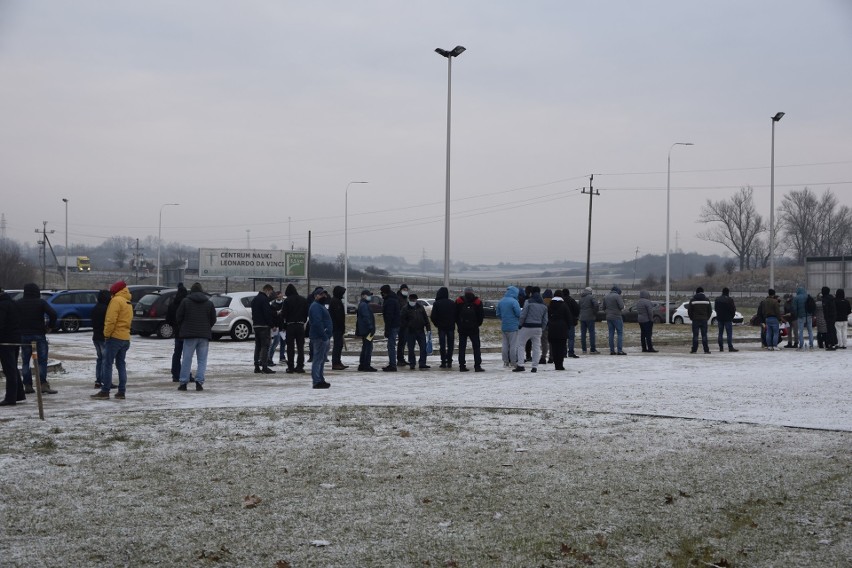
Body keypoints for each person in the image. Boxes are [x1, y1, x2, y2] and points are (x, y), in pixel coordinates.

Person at [92, 281, 133, 400]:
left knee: (107, 363)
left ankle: (105, 391)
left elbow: (110, 320)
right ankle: (121, 391)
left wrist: (106, 335)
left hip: (114, 337)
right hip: (125, 337)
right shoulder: (128, 301)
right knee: (121, 364)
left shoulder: (116, 301)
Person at [17, 282, 58, 394]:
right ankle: (43, 384)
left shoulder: (19, 303)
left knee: (25, 361)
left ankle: (28, 385)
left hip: (23, 335)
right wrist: (49, 327)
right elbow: (53, 314)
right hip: (39, 334)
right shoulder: (41, 302)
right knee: (42, 361)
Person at [175, 282, 216, 391]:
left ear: (191, 291)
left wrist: (183, 327)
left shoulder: (185, 302)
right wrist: (207, 327)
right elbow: (213, 319)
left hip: (189, 335)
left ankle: (183, 383)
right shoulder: (209, 303)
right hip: (204, 336)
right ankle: (199, 382)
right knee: (202, 360)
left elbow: (178, 316)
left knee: (187, 359)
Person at [0, 289, 25, 406]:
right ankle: (18, 394)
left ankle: (10, 398)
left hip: (5, 341)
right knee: (13, 368)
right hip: (15, 339)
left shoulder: (3, 306)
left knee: (9, 369)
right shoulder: (13, 303)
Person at [513, 289, 547, 372]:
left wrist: (520, 325)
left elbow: (523, 315)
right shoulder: (544, 305)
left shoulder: (528, 302)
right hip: (538, 328)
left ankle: (520, 365)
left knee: (521, 345)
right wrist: (541, 328)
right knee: (536, 347)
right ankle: (535, 366)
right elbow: (545, 320)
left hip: (527, 326)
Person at [307, 287, 332, 389]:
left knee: (321, 359)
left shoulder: (320, 306)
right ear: (316, 296)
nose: (323, 296)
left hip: (323, 336)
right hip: (319, 337)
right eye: (321, 294)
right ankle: (317, 381)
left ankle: (320, 379)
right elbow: (317, 322)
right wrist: (324, 335)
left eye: (324, 295)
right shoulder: (316, 306)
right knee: (318, 359)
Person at [455, 286, 485, 372]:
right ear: (472, 292)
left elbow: (455, 314)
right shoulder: (477, 301)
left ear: (464, 292)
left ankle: (462, 365)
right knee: (476, 347)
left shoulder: (459, 301)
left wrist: (459, 324)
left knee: (462, 347)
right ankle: (477, 366)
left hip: (462, 328)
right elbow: (481, 315)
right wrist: (477, 324)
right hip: (474, 328)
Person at [401, 292, 431, 370]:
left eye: (414, 299)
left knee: (423, 348)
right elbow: (402, 320)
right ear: (409, 300)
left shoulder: (420, 307)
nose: (413, 301)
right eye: (411, 299)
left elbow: (425, 318)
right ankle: (412, 363)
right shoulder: (405, 308)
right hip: (410, 331)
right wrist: (407, 326)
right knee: (411, 348)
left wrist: (428, 329)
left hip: (420, 330)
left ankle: (422, 363)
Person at [282, 284, 308, 373]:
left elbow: (283, 314)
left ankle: (291, 366)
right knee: (300, 347)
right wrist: (303, 321)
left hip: (290, 326)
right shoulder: (303, 300)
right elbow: (306, 313)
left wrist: (283, 325)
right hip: (300, 326)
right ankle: (300, 366)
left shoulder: (287, 301)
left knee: (290, 347)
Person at [251, 284, 276, 373]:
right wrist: (272, 325)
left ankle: (256, 366)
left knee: (257, 346)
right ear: (267, 290)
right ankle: (264, 366)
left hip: (256, 326)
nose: (270, 294)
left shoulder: (254, 299)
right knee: (265, 346)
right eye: (270, 292)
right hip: (264, 326)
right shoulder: (264, 300)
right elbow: (267, 314)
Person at [429, 286, 456, 369]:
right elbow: (456, 315)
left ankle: (443, 362)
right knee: (450, 345)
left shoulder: (437, 303)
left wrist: (437, 324)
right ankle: (449, 361)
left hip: (441, 327)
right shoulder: (452, 303)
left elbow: (433, 316)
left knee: (442, 345)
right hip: (451, 327)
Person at [166, 282, 188, 381]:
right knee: (187, 356)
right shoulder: (187, 304)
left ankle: (175, 374)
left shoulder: (172, 304)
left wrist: (174, 326)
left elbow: (168, 319)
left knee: (177, 354)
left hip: (177, 332)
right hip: (187, 333)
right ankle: (186, 374)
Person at [496, 286, 521, 368]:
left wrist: (504, 319)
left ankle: (505, 362)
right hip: (513, 326)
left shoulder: (501, 301)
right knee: (513, 345)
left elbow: (498, 314)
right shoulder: (514, 302)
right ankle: (513, 361)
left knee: (505, 345)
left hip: (504, 326)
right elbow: (518, 313)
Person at [90, 289, 111, 389]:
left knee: (100, 359)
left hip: (96, 337)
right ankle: (105, 381)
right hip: (103, 337)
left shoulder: (95, 308)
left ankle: (98, 380)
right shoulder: (107, 309)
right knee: (106, 360)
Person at [380, 284, 401, 372]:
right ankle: (392, 363)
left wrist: (387, 329)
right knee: (391, 345)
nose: (381, 294)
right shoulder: (393, 299)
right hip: (395, 325)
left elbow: (389, 316)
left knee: (391, 346)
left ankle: (392, 365)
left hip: (392, 326)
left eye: (382, 292)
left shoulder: (390, 301)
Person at [547, 291, 570, 370]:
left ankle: (556, 363)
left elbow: (547, 316)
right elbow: (568, 317)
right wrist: (568, 326)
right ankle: (560, 364)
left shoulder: (550, 305)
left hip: (552, 328)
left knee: (554, 347)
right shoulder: (564, 305)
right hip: (562, 329)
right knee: (561, 347)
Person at [355, 290, 376, 372]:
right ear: (363, 296)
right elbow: (366, 317)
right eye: (368, 295)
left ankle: (362, 364)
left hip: (365, 329)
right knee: (368, 347)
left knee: (365, 347)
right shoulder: (364, 305)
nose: (370, 297)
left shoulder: (363, 304)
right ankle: (366, 365)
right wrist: (371, 327)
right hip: (367, 330)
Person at [687, 286, 712, 354]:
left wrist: (692, 318)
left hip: (695, 320)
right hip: (704, 320)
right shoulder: (706, 300)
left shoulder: (693, 300)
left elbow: (689, 311)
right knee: (704, 335)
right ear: (703, 292)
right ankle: (706, 350)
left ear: (696, 292)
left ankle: (694, 350)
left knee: (695, 335)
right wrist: (707, 318)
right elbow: (710, 311)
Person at [329, 286, 348, 370]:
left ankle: (338, 361)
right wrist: (341, 327)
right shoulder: (335, 301)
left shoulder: (337, 301)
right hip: (337, 327)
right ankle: (335, 363)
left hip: (338, 327)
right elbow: (338, 316)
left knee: (339, 345)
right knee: (337, 345)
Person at [603, 285, 626, 355]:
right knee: (619, 333)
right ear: (618, 291)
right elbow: (622, 306)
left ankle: (612, 350)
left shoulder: (606, 296)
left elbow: (602, 307)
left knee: (611, 333)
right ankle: (619, 350)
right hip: (617, 317)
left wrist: (607, 312)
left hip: (608, 317)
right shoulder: (617, 296)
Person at [714, 287, 738, 352]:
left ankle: (721, 347)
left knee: (720, 333)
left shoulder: (717, 299)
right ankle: (730, 347)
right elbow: (733, 310)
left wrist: (719, 315)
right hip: (728, 319)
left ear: (722, 292)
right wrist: (731, 317)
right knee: (729, 333)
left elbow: (715, 309)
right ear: (728, 292)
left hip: (720, 318)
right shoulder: (730, 300)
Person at [578, 287, 600, 354]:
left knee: (583, 334)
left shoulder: (581, 298)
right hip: (590, 317)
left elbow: (579, 307)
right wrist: (594, 312)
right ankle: (592, 349)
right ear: (590, 291)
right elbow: (596, 305)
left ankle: (584, 349)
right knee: (591, 333)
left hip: (582, 318)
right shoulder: (591, 297)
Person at [268, 291, 286, 366]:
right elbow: (271, 316)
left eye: (280, 295)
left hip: (283, 327)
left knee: (283, 342)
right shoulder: (272, 305)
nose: (279, 296)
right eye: (278, 295)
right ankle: (270, 358)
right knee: (275, 342)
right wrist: (273, 326)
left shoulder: (284, 304)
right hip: (276, 327)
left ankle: (282, 357)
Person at [562, 288, 580, 359]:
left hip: (562, 322)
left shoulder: (561, 301)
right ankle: (571, 352)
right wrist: (575, 317)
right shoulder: (572, 300)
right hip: (571, 322)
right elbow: (577, 309)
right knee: (571, 338)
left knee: (563, 338)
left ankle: (564, 353)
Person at [395, 284, 410, 367]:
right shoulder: (398, 298)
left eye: (406, 289)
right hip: (401, 323)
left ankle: (402, 359)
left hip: (405, 323)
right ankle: (400, 359)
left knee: (403, 342)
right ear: (401, 290)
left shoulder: (404, 298)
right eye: (404, 289)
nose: (405, 291)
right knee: (401, 342)